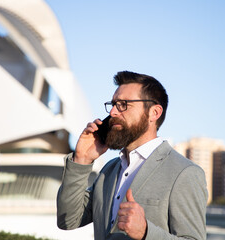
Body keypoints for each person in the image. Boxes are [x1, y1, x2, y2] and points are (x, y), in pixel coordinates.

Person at [57, 71, 208, 240]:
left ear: (154, 113)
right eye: (113, 104)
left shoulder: (184, 173)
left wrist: (145, 232)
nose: (113, 112)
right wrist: (82, 160)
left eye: (123, 104)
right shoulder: (109, 170)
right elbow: (68, 219)